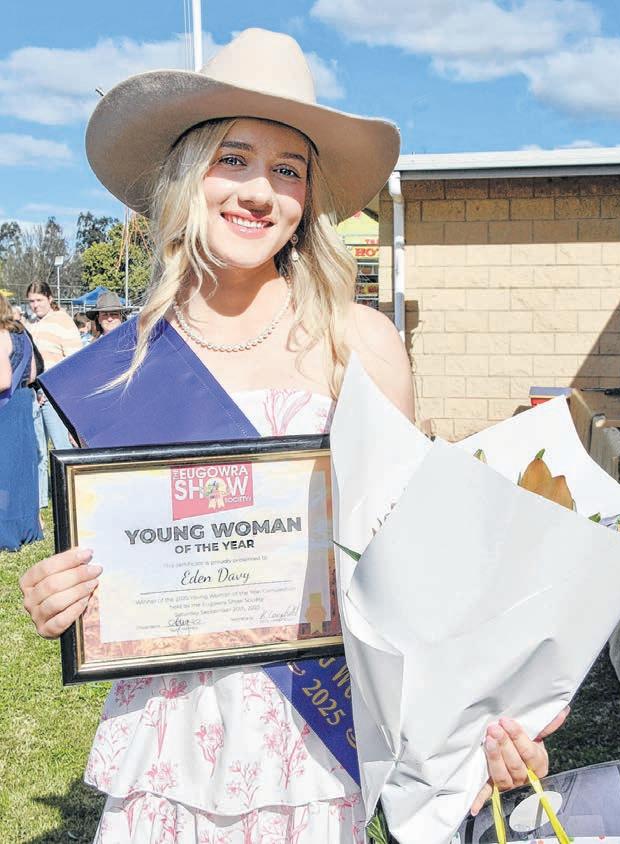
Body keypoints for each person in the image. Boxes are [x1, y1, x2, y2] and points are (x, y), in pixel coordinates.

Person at [19, 29, 567, 843]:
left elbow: (416, 562)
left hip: (310, 745)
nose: (259, 192)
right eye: (233, 159)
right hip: (171, 742)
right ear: (186, 174)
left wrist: (486, 711)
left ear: (306, 200)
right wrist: (64, 595)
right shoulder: (118, 370)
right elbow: (126, 557)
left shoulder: (358, 343)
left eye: (287, 170)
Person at [0, 293, 43, 550]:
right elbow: (33, 373)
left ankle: (5, 531)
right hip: (23, 403)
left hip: (5, 407)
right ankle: (28, 527)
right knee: (24, 469)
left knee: (4, 471)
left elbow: (3, 379)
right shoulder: (21, 333)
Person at [27, 280, 81, 449]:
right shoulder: (32, 324)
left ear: (50, 299)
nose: (35, 305)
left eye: (39, 300)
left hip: (55, 393)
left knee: (62, 446)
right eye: (31, 301)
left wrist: (58, 391)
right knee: (39, 450)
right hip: (35, 393)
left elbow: (74, 360)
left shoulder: (62, 321)